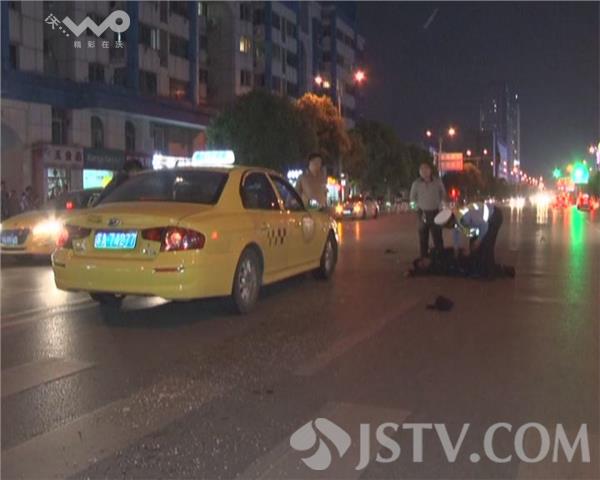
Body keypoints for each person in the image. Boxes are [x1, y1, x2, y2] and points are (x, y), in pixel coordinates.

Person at [434, 202, 513, 278]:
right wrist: (456, 251)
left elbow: (484, 226)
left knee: (486, 247)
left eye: (447, 226)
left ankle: (490, 273)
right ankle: (481, 268)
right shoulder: (455, 221)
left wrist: (478, 242)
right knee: (475, 249)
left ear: (450, 222)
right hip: (481, 223)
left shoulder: (464, 218)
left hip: (494, 216)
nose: (448, 228)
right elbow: (456, 236)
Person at [409, 163, 446, 258]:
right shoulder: (416, 184)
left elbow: (443, 195)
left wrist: (441, 206)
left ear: (430, 171)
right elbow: (412, 200)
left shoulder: (437, 182)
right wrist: (417, 210)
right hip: (422, 214)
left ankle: (440, 260)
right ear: (419, 173)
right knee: (423, 239)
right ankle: (424, 259)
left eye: (426, 170)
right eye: (422, 171)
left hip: (436, 212)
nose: (424, 172)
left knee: (438, 238)